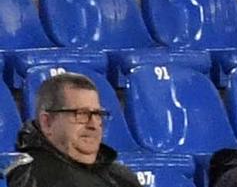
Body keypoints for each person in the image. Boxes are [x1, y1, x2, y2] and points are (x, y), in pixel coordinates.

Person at [7, 72, 143, 187]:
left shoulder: (121, 176)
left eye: (97, 115)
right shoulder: (33, 177)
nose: (93, 125)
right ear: (47, 122)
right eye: (81, 114)